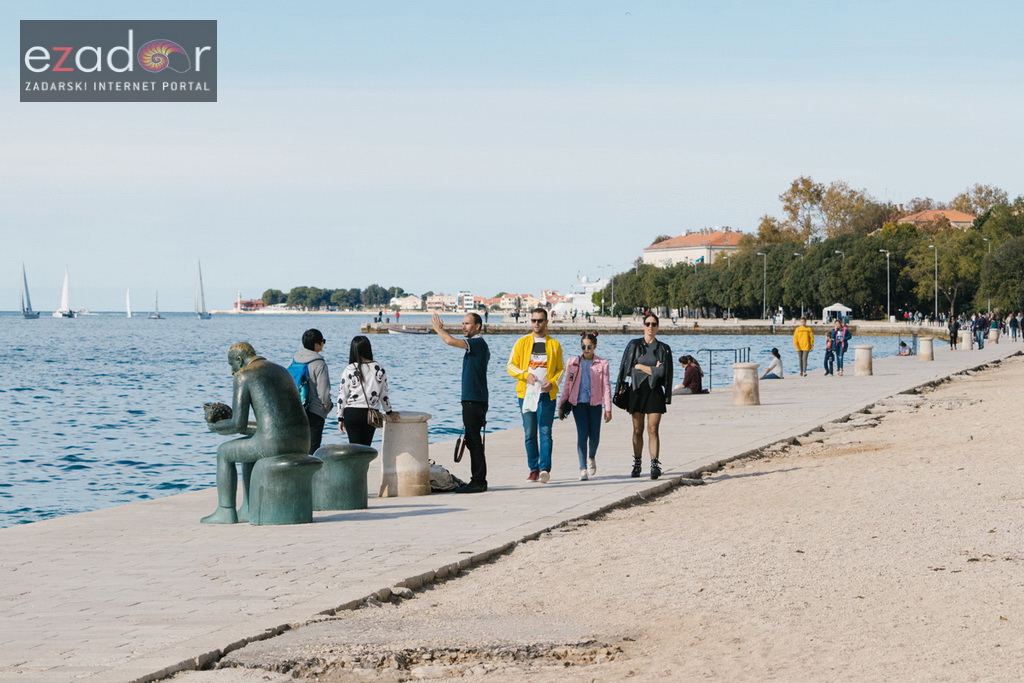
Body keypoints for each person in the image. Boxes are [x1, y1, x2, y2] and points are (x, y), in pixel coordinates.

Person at [201, 342, 310, 524]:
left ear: (239, 359)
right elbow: (271, 426)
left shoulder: (244, 375)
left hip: (273, 444)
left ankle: (225, 511)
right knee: (248, 447)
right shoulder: (281, 370)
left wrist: (216, 427)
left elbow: (237, 423)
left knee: (224, 452)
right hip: (302, 440)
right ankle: (249, 507)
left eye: (231, 366)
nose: (231, 372)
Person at [431, 312, 490, 493]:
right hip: (473, 398)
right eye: (462, 323)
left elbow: (449, 341)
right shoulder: (476, 345)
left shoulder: (478, 343)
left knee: (474, 440)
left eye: (467, 324)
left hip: (475, 399)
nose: (463, 326)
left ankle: (479, 481)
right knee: (472, 440)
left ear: (477, 326)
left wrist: (438, 329)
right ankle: (478, 479)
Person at [507, 307, 564, 483]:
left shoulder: (554, 345)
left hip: (547, 395)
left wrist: (552, 382)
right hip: (527, 395)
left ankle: (545, 468)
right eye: (534, 320)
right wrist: (525, 375)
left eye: (540, 320)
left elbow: (561, 369)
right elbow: (511, 366)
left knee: (545, 431)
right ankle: (533, 469)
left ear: (546, 322)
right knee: (529, 433)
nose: (536, 324)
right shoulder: (522, 343)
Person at [615, 313, 673, 480]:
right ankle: (637, 462)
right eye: (647, 323)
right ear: (643, 326)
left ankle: (655, 463)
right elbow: (628, 369)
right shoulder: (634, 345)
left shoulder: (663, 348)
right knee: (637, 429)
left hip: (654, 391)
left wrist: (641, 366)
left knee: (653, 429)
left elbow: (662, 373)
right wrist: (650, 368)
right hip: (637, 391)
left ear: (658, 327)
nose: (650, 327)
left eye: (654, 324)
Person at [558, 332, 612, 481]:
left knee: (594, 436)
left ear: (594, 346)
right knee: (582, 434)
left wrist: (608, 408)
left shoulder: (602, 363)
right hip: (578, 403)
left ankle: (591, 457)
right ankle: (582, 468)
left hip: (595, 404)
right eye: (583, 346)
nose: (586, 349)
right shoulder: (573, 362)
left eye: (589, 347)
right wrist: (561, 405)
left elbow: (606, 386)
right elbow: (567, 386)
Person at [336, 336, 396, 446]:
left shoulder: (349, 368)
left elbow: (342, 395)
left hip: (352, 413)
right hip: (371, 413)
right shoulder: (379, 368)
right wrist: (389, 412)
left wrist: (340, 417)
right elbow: (384, 394)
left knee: (355, 450)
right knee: (366, 449)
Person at [293, 329, 333, 454]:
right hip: (315, 412)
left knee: (298, 449)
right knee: (313, 451)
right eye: (323, 341)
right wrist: (327, 407)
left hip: (297, 410)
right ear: (316, 345)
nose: (323, 344)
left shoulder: (294, 360)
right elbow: (323, 392)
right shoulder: (319, 364)